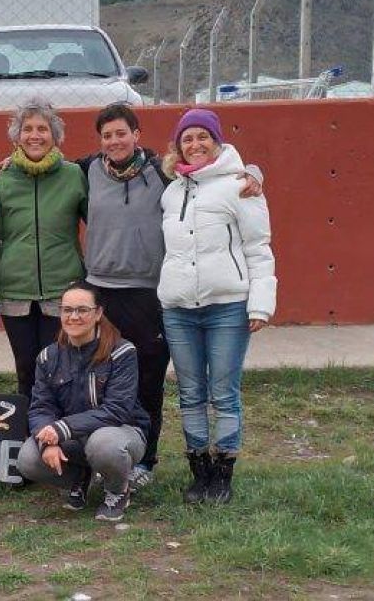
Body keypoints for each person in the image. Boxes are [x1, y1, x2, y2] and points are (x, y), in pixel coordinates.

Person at [0, 102, 261, 491]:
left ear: (136, 135)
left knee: (148, 378)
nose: (114, 141)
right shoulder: (86, 170)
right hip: (102, 291)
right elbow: (44, 162)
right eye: (107, 135)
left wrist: (253, 172)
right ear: (99, 141)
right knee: (91, 378)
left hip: (150, 293)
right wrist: (7, 162)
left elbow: (209, 173)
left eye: (122, 133)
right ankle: (87, 455)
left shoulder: (162, 172)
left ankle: (143, 459)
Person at [159, 108, 276, 505]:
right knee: (190, 393)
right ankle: (200, 471)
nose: (195, 145)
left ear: (217, 142)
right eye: (186, 139)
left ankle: (224, 473)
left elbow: (258, 248)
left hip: (227, 307)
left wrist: (260, 304)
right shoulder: (171, 191)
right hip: (178, 310)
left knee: (224, 393)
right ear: (178, 146)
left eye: (202, 137)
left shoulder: (240, 187)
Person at [0, 100, 88, 406]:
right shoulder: (1, 180)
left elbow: (100, 222)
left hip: (63, 291)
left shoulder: (74, 175)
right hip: (15, 295)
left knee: (62, 369)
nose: (34, 135)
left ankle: (63, 438)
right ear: (17, 136)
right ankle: (29, 440)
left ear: (55, 135)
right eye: (27, 129)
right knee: (26, 370)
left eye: (42, 128)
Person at [17, 280, 150, 522]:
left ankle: (118, 490)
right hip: (73, 438)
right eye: (67, 310)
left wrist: (61, 428)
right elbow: (40, 407)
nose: (74, 317)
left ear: (98, 313)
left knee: (103, 444)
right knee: (28, 458)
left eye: (82, 310)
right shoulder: (48, 356)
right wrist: (48, 441)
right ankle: (79, 476)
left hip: (122, 433)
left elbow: (117, 410)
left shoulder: (122, 352)